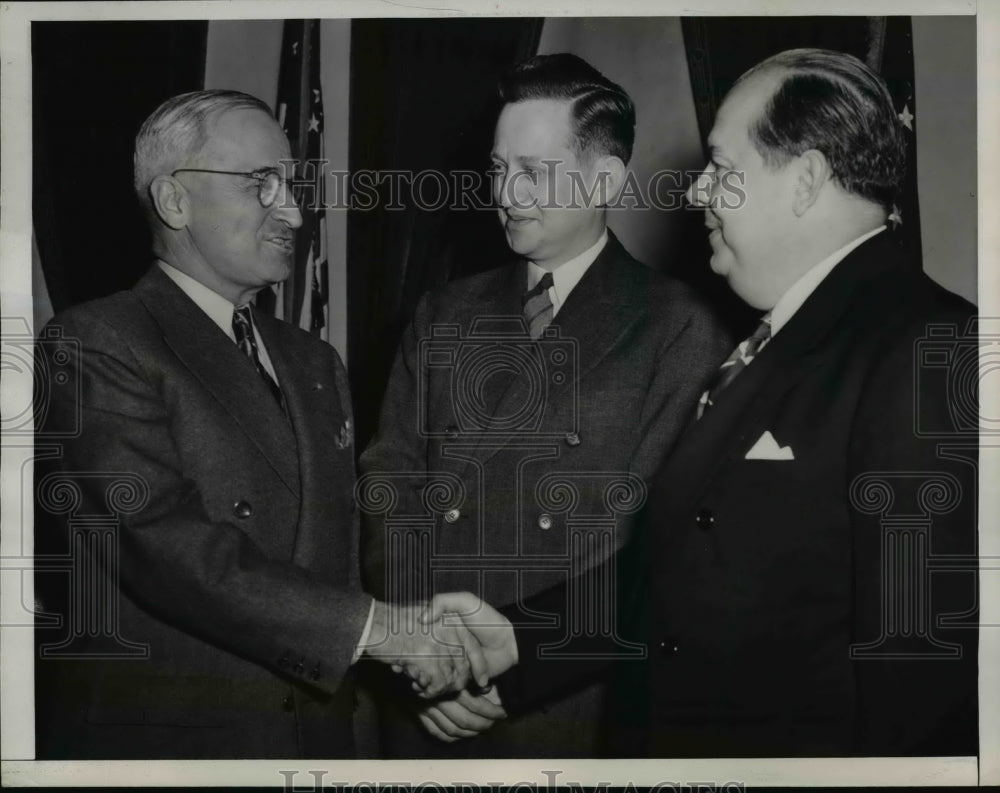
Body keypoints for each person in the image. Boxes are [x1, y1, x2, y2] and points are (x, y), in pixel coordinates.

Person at [429, 48, 979, 758]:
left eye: (722, 168)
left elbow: (922, 676)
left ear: (805, 179)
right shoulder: (778, 340)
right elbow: (687, 569)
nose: (697, 194)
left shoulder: (927, 345)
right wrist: (516, 634)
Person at [33, 89, 485, 760]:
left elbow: (341, 559)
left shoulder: (314, 360)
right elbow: (162, 543)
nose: (296, 213)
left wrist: (416, 647)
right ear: (175, 201)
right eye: (262, 185)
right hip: (179, 746)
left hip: (318, 736)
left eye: (293, 185)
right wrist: (381, 631)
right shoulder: (95, 341)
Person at [358, 53, 730, 758]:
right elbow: (390, 479)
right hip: (422, 692)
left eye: (532, 170)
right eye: (499, 170)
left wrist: (520, 667)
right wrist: (420, 650)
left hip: (565, 705)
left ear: (604, 180)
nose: (507, 192)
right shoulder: (445, 310)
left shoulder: (679, 327)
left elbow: (659, 548)